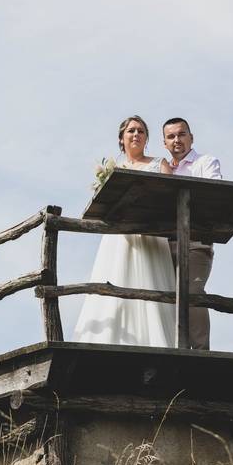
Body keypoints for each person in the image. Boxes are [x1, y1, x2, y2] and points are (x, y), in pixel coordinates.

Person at [73, 115, 176, 347]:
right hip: (119, 237)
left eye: (141, 131)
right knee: (115, 278)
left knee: (152, 282)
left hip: (150, 235)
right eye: (131, 131)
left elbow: (169, 198)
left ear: (147, 138)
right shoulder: (114, 169)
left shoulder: (159, 164)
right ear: (122, 139)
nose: (136, 135)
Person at [161, 117, 222, 350]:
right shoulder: (162, 167)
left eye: (181, 134)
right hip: (163, 244)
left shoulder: (205, 163)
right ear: (165, 143)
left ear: (191, 137)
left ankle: (200, 351)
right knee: (163, 295)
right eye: (171, 136)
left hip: (195, 242)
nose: (177, 140)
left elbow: (214, 195)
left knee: (193, 293)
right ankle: (172, 348)